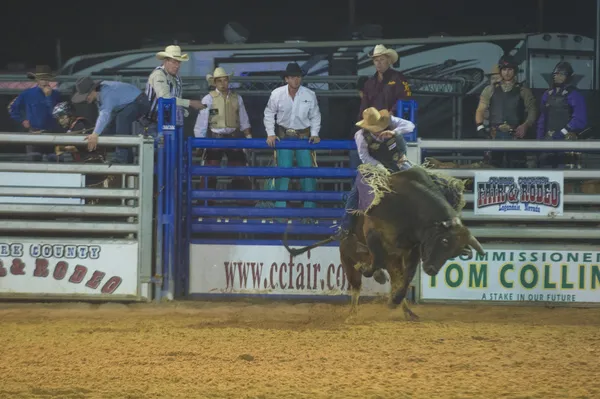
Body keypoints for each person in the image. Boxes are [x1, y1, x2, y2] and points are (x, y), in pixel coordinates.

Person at [337, 107, 415, 238]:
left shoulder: (391, 121)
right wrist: (380, 168)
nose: (378, 131)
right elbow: (364, 157)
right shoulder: (361, 136)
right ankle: (345, 226)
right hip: (373, 167)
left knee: (418, 179)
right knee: (355, 193)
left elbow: (410, 125)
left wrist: (394, 132)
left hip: (397, 162)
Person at [263, 62, 321, 209]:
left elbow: (315, 116)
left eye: (298, 77)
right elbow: (269, 113)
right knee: (283, 171)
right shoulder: (277, 94)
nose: (296, 80)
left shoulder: (310, 94)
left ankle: (309, 211)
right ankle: (280, 210)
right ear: (286, 79)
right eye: (293, 77)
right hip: (283, 137)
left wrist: (314, 133)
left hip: (304, 137)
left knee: (307, 173)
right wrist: (270, 133)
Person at [194, 67, 253, 190]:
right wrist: (200, 142)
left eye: (224, 80)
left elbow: (244, 120)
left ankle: (243, 201)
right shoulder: (208, 99)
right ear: (215, 82)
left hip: (233, 138)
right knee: (209, 172)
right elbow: (202, 122)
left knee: (240, 171)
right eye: (219, 81)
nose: (222, 83)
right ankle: (206, 202)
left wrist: (249, 138)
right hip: (215, 138)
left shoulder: (237, 98)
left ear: (228, 81)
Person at [474, 55, 537, 168]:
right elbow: (480, 110)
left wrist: (526, 125)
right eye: (504, 69)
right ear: (500, 71)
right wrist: (480, 127)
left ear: (515, 70)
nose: (507, 73)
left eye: (510, 69)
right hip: (495, 135)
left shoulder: (523, 91)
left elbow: (533, 110)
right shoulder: (490, 89)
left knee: (517, 167)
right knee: (492, 167)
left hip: (515, 135)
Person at [71, 76, 151, 163]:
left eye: (86, 95)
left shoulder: (106, 93)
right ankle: (124, 158)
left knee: (122, 119)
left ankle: (122, 159)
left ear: (92, 90)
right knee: (107, 129)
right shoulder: (99, 95)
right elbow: (105, 116)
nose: (85, 99)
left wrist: (95, 133)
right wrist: (98, 131)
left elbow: (105, 114)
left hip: (139, 101)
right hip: (127, 104)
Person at [537, 61, 588, 169]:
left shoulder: (575, 95)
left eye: (561, 74)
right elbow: (542, 118)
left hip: (566, 141)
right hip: (549, 140)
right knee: (546, 173)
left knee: (565, 175)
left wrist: (563, 132)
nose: (557, 77)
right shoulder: (547, 94)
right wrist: (539, 139)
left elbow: (579, 119)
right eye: (556, 74)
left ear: (568, 77)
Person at [144, 45, 206, 130]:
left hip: (168, 122)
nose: (177, 66)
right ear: (165, 61)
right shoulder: (158, 74)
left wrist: (183, 111)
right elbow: (165, 98)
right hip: (152, 123)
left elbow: (176, 99)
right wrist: (191, 103)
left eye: (179, 62)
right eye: (174, 62)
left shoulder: (177, 78)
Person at [8, 65, 61, 159]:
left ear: (49, 80)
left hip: (52, 133)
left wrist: (48, 97)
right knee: (34, 161)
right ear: (37, 80)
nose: (44, 81)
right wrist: (22, 120)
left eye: (46, 79)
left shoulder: (56, 94)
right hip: (34, 132)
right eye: (41, 79)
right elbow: (13, 108)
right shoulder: (27, 93)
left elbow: (56, 113)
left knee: (53, 161)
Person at [358, 44, 411, 120]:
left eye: (382, 59)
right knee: (359, 132)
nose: (379, 63)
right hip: (374, 123)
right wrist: (362, 121)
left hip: (395, 121)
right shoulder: (369, 83)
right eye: (376, 60)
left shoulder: (398, 77)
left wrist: (392, 113)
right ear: (373, 63)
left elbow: (405, 98)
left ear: (389, 61)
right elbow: (364, 106)